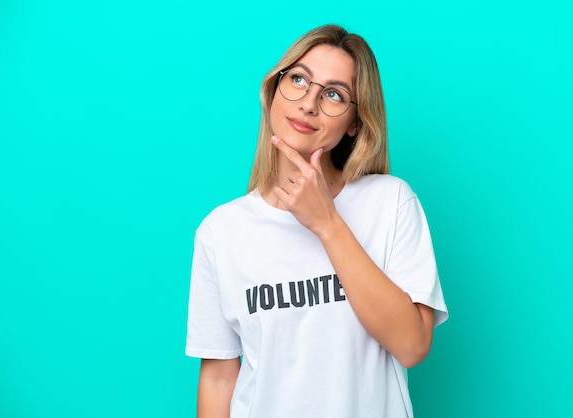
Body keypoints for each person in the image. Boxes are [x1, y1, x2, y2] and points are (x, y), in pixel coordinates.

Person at [185, 24, 448, 418]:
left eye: (334, 94)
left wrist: (327, 222)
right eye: (298, 79)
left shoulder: (391, 202)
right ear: (273, 90)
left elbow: (412, 345)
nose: (309, 104)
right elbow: (220, 377)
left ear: (355, 124)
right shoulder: (221, 232)